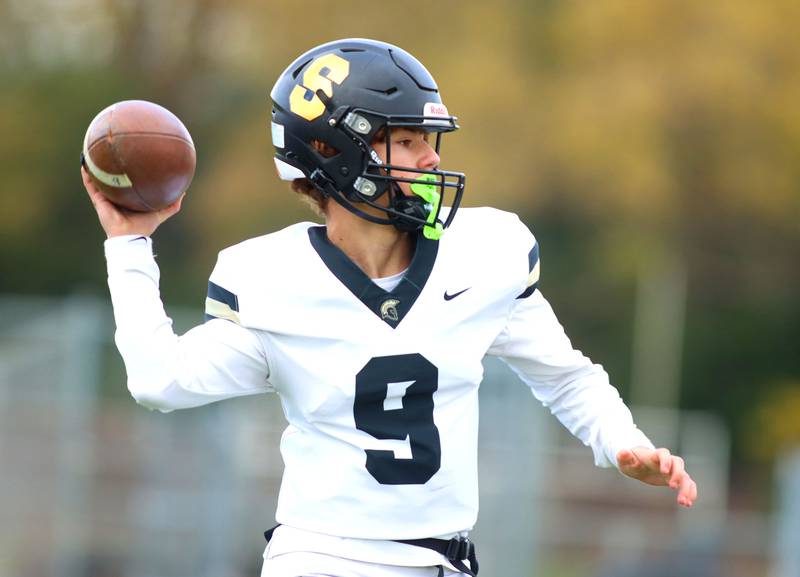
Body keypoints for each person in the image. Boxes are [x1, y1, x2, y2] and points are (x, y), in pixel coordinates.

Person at [83, 38, 697, 577]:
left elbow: (566, 378)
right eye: (406, 141)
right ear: (334, 151)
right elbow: (160, 380)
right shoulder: (272, 278)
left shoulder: (485, 254)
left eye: (429, 140)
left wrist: (622, 442)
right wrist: (129, 244)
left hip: (443, 560)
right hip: (323, 559)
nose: (432, 159)